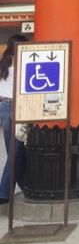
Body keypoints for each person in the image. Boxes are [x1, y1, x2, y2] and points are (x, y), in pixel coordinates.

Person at [0, 34, 28, 203]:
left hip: (3, 107)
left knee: (14, 151)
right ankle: (3, 192)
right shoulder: (22, 64)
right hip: (17, 107)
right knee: (15, 152)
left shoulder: (4, 64)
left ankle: (24, 185)